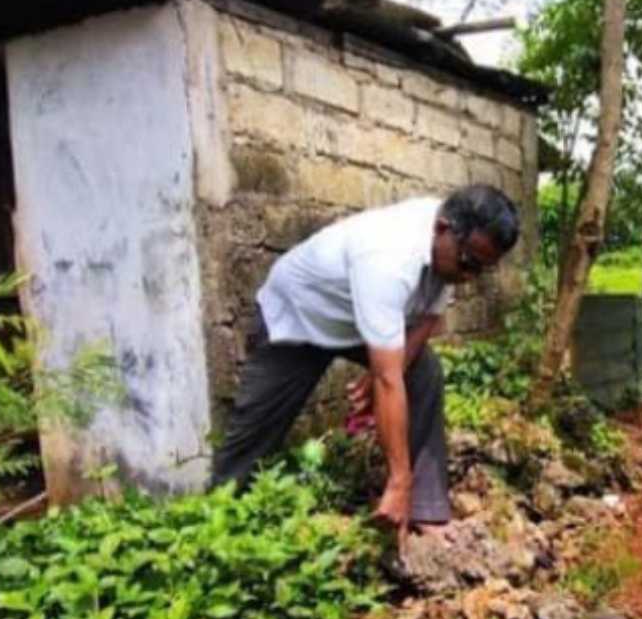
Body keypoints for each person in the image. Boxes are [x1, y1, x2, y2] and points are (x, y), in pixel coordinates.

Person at [211, 184, 521, 547]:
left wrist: (382, 376)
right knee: (254, 434)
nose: (470, 277)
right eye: (469, 263)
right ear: (442, 229)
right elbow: (390, 380)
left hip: (352, 318)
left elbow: (426, 321)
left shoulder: (452, 247)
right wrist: (397, 480)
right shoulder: (389, 256)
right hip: (298, 315)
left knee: (423, 370)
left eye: (482, 269)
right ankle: (218, 523)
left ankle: (427, 509)